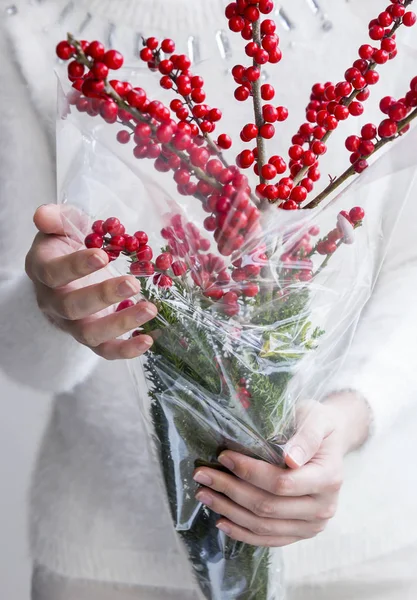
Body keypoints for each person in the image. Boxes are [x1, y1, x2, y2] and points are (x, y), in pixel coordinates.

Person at [1, 1, 417, 599]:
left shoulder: (383, 14)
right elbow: (25, 359)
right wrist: (55, 309)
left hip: (370, 559)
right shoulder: (30, 20)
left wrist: (347, 420)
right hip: (111, 563)